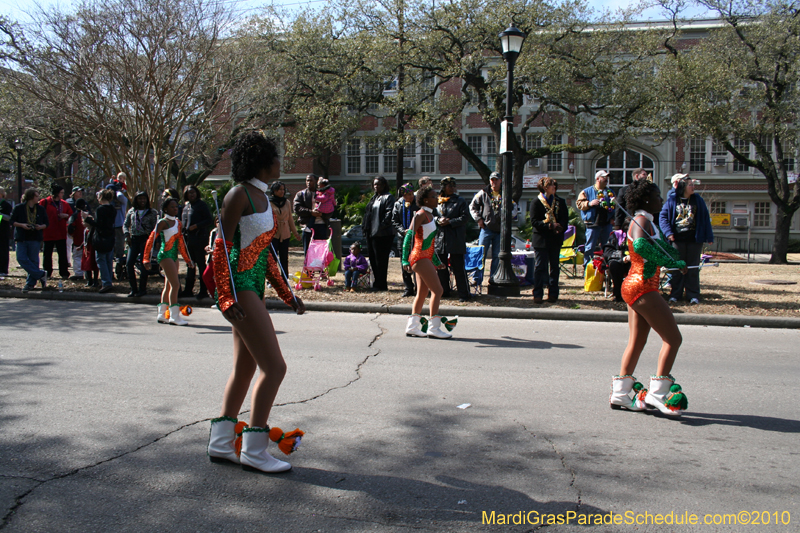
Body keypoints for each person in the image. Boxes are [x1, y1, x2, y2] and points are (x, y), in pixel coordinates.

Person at [207, 131, 305, 474]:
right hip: (241, 289)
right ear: (263, 161)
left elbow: (267, 255)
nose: (281, 162)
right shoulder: (239, 195)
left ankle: (221, 444)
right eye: (277, 157)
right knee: (275, 368)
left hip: (253, 287)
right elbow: (221, 248)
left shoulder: (265, 198)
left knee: (246, 368)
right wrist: (224, 296)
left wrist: (288, 294)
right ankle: (254, 448)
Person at [610, 179, 689, 417]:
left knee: (637, 341)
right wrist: (671, 262)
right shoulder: (641, 220)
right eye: (657, 195)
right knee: (673, 339)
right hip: (642, 286)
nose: (661, 199)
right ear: (645, 199)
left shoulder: (648, 221)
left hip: (636, 285)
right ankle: (658, 392)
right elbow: (643, 246)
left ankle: (621, 394)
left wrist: (676, 258)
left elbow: (663, 248)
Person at [401, 185, 454, 339]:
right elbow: (408, 236)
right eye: (433, 196)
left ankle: (412, 327)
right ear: (425, 200)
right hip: (419, 257)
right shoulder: (420, 214)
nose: (437, 197)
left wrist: (437, 261)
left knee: (422, 293)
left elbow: (430, 243)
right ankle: (434, 328)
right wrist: (405, 259)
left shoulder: (430, 215)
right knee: (438, 291)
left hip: (426, 257)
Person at [659, 174, 714, 304]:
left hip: (694, 240)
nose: (693, 187)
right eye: (690, 185)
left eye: (693, 185)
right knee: (678, 268)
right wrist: (668, 233)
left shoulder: (698, 200)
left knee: (693, 268)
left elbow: (705, 218)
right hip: (677, 240)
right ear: (683, 186)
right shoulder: (672, 200)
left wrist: (709, 236)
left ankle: (693, 295)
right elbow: (663, 217)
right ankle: (675, 294)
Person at [143, 197, 193, 325]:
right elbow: (151, 239)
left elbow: (181, 243)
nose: (175, 209)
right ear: (165, 209)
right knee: (176, 284)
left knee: (169, 285)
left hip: (174, 256)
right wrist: (146, 258)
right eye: (172, 207)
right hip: (165, 255)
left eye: (176, 206)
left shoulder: (178, 222)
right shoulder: (162, 222)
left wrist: (187, 260)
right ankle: (174, 316)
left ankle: (161, 314)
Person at [530, 177, 569, 303]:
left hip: (555, 239)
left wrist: (560, 227)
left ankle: (553, 293)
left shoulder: (560, 201)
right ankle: (537, 293)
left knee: (554, 267)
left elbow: (565, 219)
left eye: (555, 185)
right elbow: (534, 221)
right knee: (540, 267)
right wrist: (549, 226)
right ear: (545, 187)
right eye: (552, 185)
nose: (554, 187)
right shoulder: (536, 202)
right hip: (541, 239)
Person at [435, 176, 470, 301]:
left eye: (453, 185)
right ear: (443, 187)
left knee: (458, 268)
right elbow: (431, 216)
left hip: (455, 238)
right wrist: (438, 220)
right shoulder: (437, 201)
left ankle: (464, 294)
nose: (452, 188)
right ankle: (444, 291)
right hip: (440, 239)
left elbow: (465, 217)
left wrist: (450, 222)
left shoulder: (460, 201)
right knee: (441, 268)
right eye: (449, 186)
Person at [180, 185, 214, 299]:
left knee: (200, 264)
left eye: (193, 192)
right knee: (190, 264)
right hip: (188, 239)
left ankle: (203, 291)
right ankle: (188, 290)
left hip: (199, 238)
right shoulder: (186, 206)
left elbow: (209, 220)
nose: (192, 195)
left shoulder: (201, 205)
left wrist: (196, 226)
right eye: (189, 193)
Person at [362, 175, 395, 291]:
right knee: (373, 259)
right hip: (372, 233)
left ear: (384, 185)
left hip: (383, 234)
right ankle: (377, 282)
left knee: (380, 260)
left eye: (379, 184)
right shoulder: (374, 198)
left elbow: (389, 214)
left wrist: (381, 226)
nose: (376, 186)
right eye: (375, 184)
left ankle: (381, 284)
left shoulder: (388, 197)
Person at [10, 188, 48, 292]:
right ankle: (40, 274)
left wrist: (40, 227)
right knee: (21, 258)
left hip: (35, 237)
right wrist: (22, 225)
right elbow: (12, 221)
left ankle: (30, 284)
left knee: (33, 260)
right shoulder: (19, 208)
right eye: (36, 196)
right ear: (30, 197)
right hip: (22, 237)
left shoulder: (40, 209)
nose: (38, 198)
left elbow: (46, 223)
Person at [577, 170, 615, 271]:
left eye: (607, 177)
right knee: (589, 247)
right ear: (597, 179)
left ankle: (606, 269)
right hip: (592, 224)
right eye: (604, 177)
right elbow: (579, 204)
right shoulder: (586, 191)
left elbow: (614, 207)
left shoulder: (610, 192)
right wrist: (589, 203)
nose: (606, 179)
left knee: (607, 247)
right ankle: (587, 269)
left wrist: (613, 218)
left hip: (606, 223)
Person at [469, 171, 503, 285]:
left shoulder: (505, 193)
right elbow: (472, 206)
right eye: (492, 180)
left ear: (500, 181)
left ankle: (494, 279)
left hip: (500, 230)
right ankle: (477, 279)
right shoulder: (483, 193)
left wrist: (508, 219)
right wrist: (478, 219)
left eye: (496, 180)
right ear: (490, 181)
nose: (494, 182)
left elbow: (514, 208)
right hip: (486, 228)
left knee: (497, 256)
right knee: (480, 254)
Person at [123, 191, 158, 297]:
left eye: (144, 199)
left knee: (144, 265)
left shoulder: (152, 212)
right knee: (129, 263)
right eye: (140, 199)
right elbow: (125, 224)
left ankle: (142, 289)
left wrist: (154, 241)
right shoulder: (132, 211)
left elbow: (156, 228)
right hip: (133, 240)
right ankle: (133, 289)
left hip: (145, 240)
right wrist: (127, 235)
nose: (142, 201)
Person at [84, 189, 116, 293]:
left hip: (101, 238)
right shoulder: (113, 209)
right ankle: (109, 280)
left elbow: (98, 224)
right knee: (108, 260)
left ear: (101, 197)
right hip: (110, 236)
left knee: (101, 260)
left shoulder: (100, 209)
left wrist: (87, 219)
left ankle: (106, 282)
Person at [40, 184, 73, 279]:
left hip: (61, 232)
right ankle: (47, 272)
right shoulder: (45, 202)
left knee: (62, 254)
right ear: (57, 193)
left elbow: (71, 215)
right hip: (48, 232)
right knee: (47, 254)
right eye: (61, 192)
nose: (63, 194)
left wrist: (66, 216)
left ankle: (64, 272)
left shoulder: (64, 204)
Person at [269, 181, 300, 279]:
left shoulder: (287, 202)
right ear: (274, 191)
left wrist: (295, 233)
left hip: (285, 232)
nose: (282, 191)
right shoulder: (269, 202)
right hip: (273, 233)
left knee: (284, 258)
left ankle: (284, 278)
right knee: (273, 257)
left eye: (283, 189)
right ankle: (272, 279)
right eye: (280, 189)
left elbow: (290, 218)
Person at [392, 183, 417, 297]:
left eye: (411, 194)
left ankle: (419, 286)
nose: (410, 197)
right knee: (404, 263)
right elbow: (395, 221)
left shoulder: (418, 203)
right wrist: (403, 231)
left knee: (417, 262)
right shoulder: (398, 204)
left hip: (417, 237)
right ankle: (408, 288)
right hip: (403, 238)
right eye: (407, 195)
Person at [293, 174, 327, 254]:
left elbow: (331, 207)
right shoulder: (301, 194)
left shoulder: (323, 194)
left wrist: (322, 214)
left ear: (316, 182)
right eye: (307, 180)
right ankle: (308, 266)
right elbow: (297, 208)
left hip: (321, 225)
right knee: (308, 251)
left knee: (320, 252)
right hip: (307, 225)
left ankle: (319, 266)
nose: (309, 182)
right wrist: (311, 212)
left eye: (311, 180)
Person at [603, 220, 631, 303]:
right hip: (620, 261)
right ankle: (618, 294)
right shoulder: (617, 235)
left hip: (636, 262)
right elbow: (607, 252)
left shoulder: (642, 236)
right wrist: (623, 258)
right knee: (614, 265)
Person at [107, 178, 129, 281]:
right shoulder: (107, 203)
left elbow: (122, 198)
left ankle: (119, 272)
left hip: (119, 226)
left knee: (119, 251)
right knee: (110, 251)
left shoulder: (120, 199)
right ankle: (110, 273)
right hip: (109, 227)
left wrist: (117, 191)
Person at [0, 188, 12, 280]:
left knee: (3, 250)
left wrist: (0, 215)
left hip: (3, 232)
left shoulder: (6, 205)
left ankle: (3, 270)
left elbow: (9, 218)